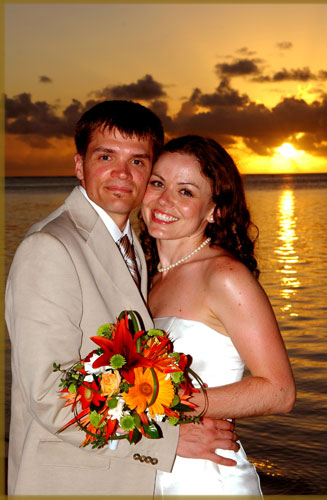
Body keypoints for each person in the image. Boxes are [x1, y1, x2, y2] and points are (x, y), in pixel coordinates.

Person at [5, 102, 240, 496]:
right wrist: (168, 439)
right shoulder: (49, 247)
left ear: (150, 172)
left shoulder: (133, 244)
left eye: (137, 161)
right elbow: (48, 394)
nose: (121, 174)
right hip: (69, 482)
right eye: (106, 156)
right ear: (80, 165)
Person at [140, 135, 296, 496]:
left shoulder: (224, 276)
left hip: (206, 475)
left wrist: (169, 404)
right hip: (159, 463)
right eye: (158, 183)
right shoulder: (146, 276)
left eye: (186, 192)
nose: (165, 201)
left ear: (215, 210)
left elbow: (280, 391)